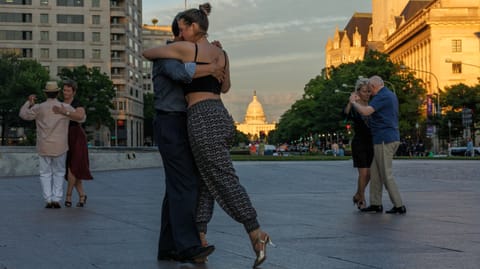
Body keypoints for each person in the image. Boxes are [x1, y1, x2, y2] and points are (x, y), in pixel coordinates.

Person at [143, 3, 273, 267]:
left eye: (182, 28)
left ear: (193, 27)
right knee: (204, 180)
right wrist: (211, 65)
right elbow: (225, 86)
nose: (179, 33)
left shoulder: (186, 49)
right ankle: (199, 237)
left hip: (200, 117)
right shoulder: (221, 52)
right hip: (220, 115)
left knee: (221, 179)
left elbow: (148, 52)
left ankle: (254, 231)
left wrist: (186, 53)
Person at [148, 14, 224, 263]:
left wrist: (209, 57)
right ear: (182, 35)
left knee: (175, 188)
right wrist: (210, 65)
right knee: (186, 184)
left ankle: (167, 246)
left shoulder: (180, 52)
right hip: (170, 121)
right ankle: (188, 246)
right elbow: (182, 75)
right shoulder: (168, 53)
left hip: (181, 121)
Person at [349, 75, 406, 214]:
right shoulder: (390, 94)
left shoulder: (382, 96)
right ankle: (376, 203)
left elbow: (366, 111)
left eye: (370, 89)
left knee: (386, 174)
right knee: (375, 172)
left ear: (374, 87)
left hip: (384, 139)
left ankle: (399, 205)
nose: (370, 92)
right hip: (386, 138)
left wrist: (354, 102)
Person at [19, 81, 77, 209]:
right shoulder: (64, 107)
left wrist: (28, 102)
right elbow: (81, 118)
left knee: (45, 173)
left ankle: (48, 199)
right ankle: (57, 199)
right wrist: (66, 113)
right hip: (60, 146)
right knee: (59, 172)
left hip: (44, 145)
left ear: (46, 93)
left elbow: (23, 114)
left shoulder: (39, 107)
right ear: (58, 93)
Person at [52, 79, 93, 208]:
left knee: (73, 167)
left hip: (76, 135)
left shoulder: (77, 103)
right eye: (64, 90)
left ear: (74, 92)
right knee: (71, 168)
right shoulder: (59, 103)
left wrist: (65, 112)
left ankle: (68, 195)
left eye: (68, 90)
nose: (65, 93)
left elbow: (80, 116)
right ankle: (82, 196)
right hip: (63, 136)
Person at [343, 78, 373, 210]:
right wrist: (351, 103)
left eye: (369, 91)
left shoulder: (373, 104)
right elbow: (345, 115)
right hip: (359, 142)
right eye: (364, 91)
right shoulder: (355, 105)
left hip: (372, 142)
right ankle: (362, 199)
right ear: (358, 92)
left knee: (371, 173)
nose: (367, 94)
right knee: (363, 173)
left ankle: (357, 194)